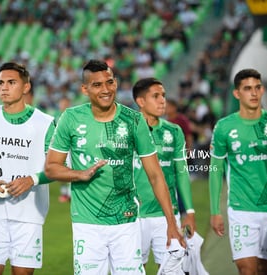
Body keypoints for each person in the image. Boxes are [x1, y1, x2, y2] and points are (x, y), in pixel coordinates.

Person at [44, 59, 183, 275]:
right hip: (86, 224)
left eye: (109, 82)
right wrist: (80, 174)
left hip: (126, 222)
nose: (106, 89)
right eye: (97, 85)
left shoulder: (134, 120)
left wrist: (171, 223)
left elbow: (156, 176)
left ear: (116, 83)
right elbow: (51, 167)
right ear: (85, 89)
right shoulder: (70, 118)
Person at [0, 62, 56, 275]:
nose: (4, 88)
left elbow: (57, 167)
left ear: (26, 87)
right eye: (0, 83)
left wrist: (31, 180)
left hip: (29, 214)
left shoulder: (46, 123)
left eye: (11, 82)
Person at [208, 68, 267, 274]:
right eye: (247, 89)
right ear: (237, 93)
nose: (254, 93)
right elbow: (215, 169)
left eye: (257, 88)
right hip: (241, 209)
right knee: (247, 270)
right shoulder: (224, 126)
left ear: (263, 89)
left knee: (265, 271)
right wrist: (215, 211)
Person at [132, 77, 196, 268]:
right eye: (156, 96)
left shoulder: (174, 131)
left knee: (173, 270)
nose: (162, 101)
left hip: (167, 215)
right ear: (141, 101)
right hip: (134, 216)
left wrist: (190, 212)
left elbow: (181, 172)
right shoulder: (127, 131)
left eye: (163, 96)